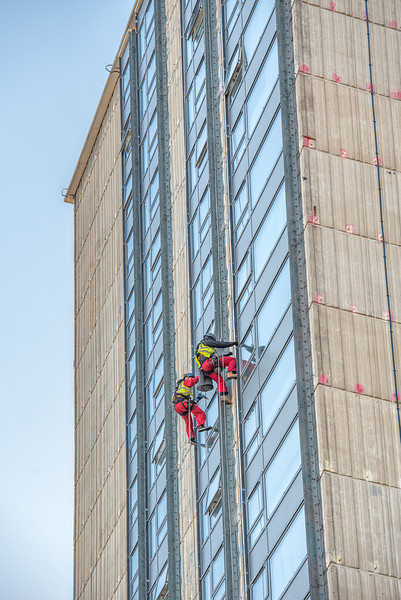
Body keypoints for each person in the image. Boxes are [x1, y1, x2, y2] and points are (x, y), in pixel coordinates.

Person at [195, 333, 238, 404]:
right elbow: (219, 344)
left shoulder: (199, 349)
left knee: (220, 381)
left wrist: (226, 355)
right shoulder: (206, 342)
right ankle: (230, 373)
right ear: (210, 338)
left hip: (206, 368)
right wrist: (232, 343)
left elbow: (213, 357)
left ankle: (223, 396)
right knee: (232, 360)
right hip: (209, 362)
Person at [173, 373, 212, 445]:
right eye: (189, 377)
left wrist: (196, 399)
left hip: (178, 407)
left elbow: (186, 399)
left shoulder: (181, 389)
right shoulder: (185, 382)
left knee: (188, 422)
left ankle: (191, 438)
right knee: (200, 413)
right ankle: (200, 426)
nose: (190, 379)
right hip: (183, 404)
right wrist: (201, 375)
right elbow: (192, 382)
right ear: (186, 378)